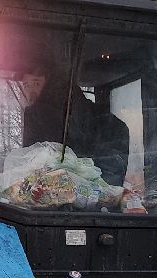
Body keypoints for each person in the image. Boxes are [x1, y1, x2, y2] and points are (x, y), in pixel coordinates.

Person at [20, 53, 130, 188]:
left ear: (51, 84)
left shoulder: (36, 115)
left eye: (36, 83)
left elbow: (32, 169)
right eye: (26, 85)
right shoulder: (108, 121)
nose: (31, 91)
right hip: (96, 201)